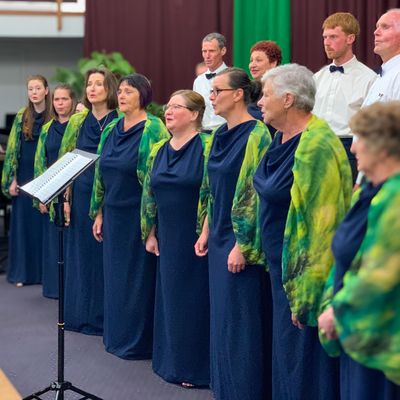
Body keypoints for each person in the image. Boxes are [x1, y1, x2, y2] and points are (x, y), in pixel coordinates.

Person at [254, 63, 353, 399]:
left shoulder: (316, 145)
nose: (260, 101)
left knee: (304, 363)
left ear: (288, 99)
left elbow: (321, 229)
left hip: (303, 279)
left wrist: (306, 296)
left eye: (266, 94)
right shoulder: (280, 136)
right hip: (280, 268)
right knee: (287, 357)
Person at [195, 67, 272, 400]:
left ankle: (245, 391)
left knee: (240, 319)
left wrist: (242, 244)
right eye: (210, 93)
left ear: (239, 94)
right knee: (221, 317)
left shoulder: (258, 133)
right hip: (218, 234)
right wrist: (205, 230)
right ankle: (224, 387)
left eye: (217, 92)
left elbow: (253, 195)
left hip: (242, 239)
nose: (211, 98)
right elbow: (212, 189)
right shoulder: (217, 134)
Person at [318, 101, 400, 399]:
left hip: (381, 334)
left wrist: (336, 310)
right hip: (355, 329)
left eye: (360, 139)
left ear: (383, 147)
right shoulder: (369, 191)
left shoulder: (395, 197)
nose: (353, 149)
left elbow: (380, 273)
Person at [88, 73, 168, 358]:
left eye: (128, 92)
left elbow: (155, 179)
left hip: (138, 217)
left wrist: (152, 226)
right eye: (120, 91)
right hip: (113, 214)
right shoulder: (111, 128)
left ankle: (138, 342)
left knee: (137, 281)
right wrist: (98, 212)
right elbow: (100, 172)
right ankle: (117, 335)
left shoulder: (154, 128)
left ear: (142, 96)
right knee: (116, 279)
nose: (121, 96)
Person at [141, 90, 210, 386]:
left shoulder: (207, 145)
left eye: (176, 107)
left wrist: (206, 232)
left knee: (193, 300)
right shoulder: (159, 147)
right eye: (167, 107)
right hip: (167, 234)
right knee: (169, 297)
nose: (167, 111)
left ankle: (193, 367)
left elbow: (212, 194)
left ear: (194, 114)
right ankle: (169, 361)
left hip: (194, 237)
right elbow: (149, 192)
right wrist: (150, 231)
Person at [58, 68, 119, 335]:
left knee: (101, 255)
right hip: (81, 191)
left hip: (108, 193)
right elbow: (68, 161)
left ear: (110, 89)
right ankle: (79, 313)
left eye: (99, 83)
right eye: (89, 84)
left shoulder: (118, 120)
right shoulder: (77, 121)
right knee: (80, 254)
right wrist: (66, 198)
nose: (93, 88)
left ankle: (103, 317)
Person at [313, 12, 377, 182]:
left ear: (350, 39)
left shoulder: (369, 78)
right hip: (315, 147)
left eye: (333, 37)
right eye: (325, 37)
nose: (327, 42)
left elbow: (370, 127)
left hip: (348, 150)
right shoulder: (318, 77)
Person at [1, 74, 52, 286]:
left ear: (46, 91)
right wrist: (11, 179)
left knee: (41, 226)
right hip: (23, 175)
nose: (34, 92)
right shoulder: (23, 116)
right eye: (30, 89)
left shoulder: (53, 115)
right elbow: (12, 149)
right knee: (23, 227)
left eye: (38, 88)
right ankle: (23, 273)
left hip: (45, 175)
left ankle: (42, 274)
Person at [34, 83, 77, 299]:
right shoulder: (47, 128)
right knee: (52, 241)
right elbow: (40, 161)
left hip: (72, 190)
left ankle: (70, 288)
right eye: (57, 100)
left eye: (64, 99)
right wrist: (42, 194)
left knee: (70, 241)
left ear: (73, 101)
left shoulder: (78, 126)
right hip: (51, 189)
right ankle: (54, 288)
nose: (60, 103)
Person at [193, 32, 228, 132]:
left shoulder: (232, 77)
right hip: (203, 133)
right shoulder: (198, 81)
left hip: (226, 131)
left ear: (223, 50)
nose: (207, 56)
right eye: (204, 51)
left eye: (211, 51)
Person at [248, 40, 282, 121]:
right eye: (251, 60)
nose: (252, 65)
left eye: (258, 60)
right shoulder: (251, 89)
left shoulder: (280, 90)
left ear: (273, 63)